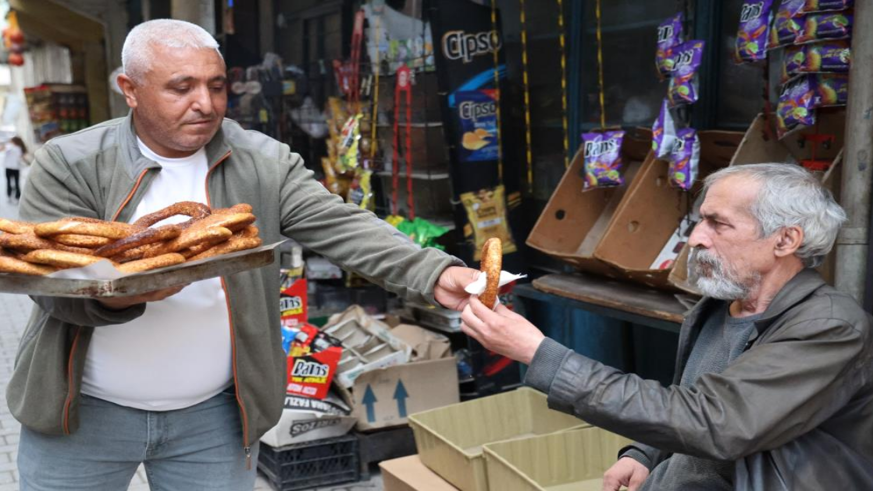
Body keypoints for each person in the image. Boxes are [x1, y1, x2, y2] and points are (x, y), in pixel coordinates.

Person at [9, 19, 479, 491]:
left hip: (216, 419)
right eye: (182, 87)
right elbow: (48, 283)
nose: (206, 104)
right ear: (130, 89)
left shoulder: (263, 162)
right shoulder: (71, 161)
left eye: (216, 86)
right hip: (82, 413)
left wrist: (434, 273)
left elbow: (342, 225)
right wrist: (121, 295)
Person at [461, 163, 873, 491]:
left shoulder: (830, 330)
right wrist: (645, 453)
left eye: (718, 224)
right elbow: (684, 402)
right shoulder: (716, 309)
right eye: (698, 221)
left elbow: (716, 423)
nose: (695, 238)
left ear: (785, 241)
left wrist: (539, 354)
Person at [3, 136, 26, 203]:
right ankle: (17, 197)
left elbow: (2, 149)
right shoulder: (19, 148)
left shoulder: (10, 147)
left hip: (9, 168)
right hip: (16, 168)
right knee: (16, 183)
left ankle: (10, 196)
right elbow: (20, 158)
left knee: (9, 182)